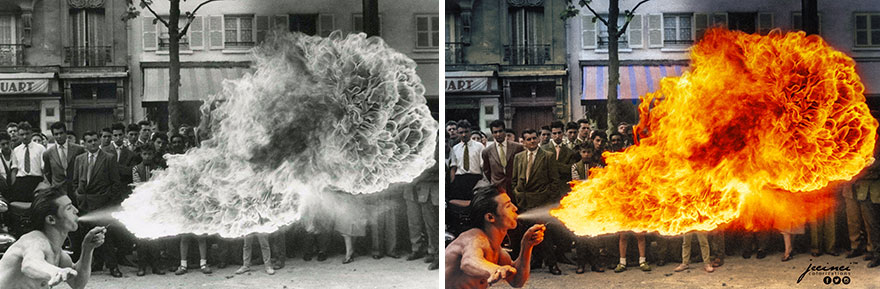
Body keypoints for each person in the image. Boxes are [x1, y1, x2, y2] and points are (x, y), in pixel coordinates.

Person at [0, 188, 106, 289]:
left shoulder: (58, 253)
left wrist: (87, 248)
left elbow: (77, 283)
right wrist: (55, 272)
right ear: (51, 219)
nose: (76, 210)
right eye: (69, 208)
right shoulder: (35, 241)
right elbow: (29, 264)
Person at [445, 186, 545, 289]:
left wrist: (527, 245)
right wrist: (495, 270)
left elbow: (517, 281)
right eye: (507, 206)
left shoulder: (498, 251)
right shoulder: (474, 238)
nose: (515, 208)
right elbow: (468, 262)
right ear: (490, 217)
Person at [71, 131, 124, 278]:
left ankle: (113, 267)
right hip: (84, 205)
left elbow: (115, 183)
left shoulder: (108, 158)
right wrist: (78, 195)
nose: (93, 143)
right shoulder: (79, 159)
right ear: (84, 143)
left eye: (95, 140)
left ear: (99, 140)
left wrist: (108, 202)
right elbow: (75, 181)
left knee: (105, 237)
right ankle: (96, 263)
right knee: (87, 237)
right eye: (89, 141)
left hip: (102, 204)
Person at [512, 129, 561, 275]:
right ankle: (535, 261)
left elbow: (554, 181)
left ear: (538, 139)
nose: (532, 141)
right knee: (527, 234)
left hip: (541, 202)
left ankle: (552, 264)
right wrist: (517, 193)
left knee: (544, 235)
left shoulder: (548, 156)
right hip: (524, 202)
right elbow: (514, 179)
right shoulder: (518, 157)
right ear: (524, 142)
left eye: (534, 138)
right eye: (529, 139)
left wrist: (547, 200)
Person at [131, 145, 166, 276]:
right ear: (141, 154)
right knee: (141, 238)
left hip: (155, 205)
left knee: (155, 237)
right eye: (145, 154)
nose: (147, 156)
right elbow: (137, 186)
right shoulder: (136, 168)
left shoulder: (159, 169)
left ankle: (156, 265)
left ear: (153, 154)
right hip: (141, 205)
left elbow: (160, 186)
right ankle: (142, 266)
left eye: (150, 154)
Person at [8, 122, 47, 237]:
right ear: (18, 135)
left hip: (36, 182)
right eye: (22, 134)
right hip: (21, 183)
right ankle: (19, 236)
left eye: (27, 133)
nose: (24, 137)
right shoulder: (16, 150)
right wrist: (12, 186)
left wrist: (44, 185)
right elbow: (14, 169)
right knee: (18, 212)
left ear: (31, 133)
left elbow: (44, 169)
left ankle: (37, 235)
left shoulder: (40, 148)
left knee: (36, 211)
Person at [404, 149, 440, 270]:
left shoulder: (435, 145)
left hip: (427, 187)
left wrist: (417, 177)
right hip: (414, 188)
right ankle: (418, 249)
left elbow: (435, 166)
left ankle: (433, 252)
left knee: (431, 224)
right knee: (414, 221)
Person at [571, 144, 604, 274]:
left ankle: (596, 263)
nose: (586, 154)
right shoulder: (575, 166)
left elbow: (600, 183)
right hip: (580, 203)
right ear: (580, 152)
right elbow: (576, 183)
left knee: (594, 236)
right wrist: (590, 184)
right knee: (580, 236)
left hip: (595, 203)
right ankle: (581, 264)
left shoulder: (598, 166)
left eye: (589, 152)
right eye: (584, 152)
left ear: (592, 152)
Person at [43, 122, 85, 203]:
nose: (59, 136)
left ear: (66, 133)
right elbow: (48, 173)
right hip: (58, 191)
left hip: (75, 190)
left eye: (61, 133)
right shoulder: (48, 153)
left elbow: (82, 169)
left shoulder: (78, 149)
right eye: (56, 134)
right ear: (53, 135)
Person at [481, 120, 523, 200]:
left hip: (515, 188)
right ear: (492, 134)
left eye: (500, 131)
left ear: (504, 132)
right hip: (498, 189)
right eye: (495, 132)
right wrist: (495, 182)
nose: (498, 134)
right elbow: (487, 171)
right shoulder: (487, 151)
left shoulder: (517, 147)